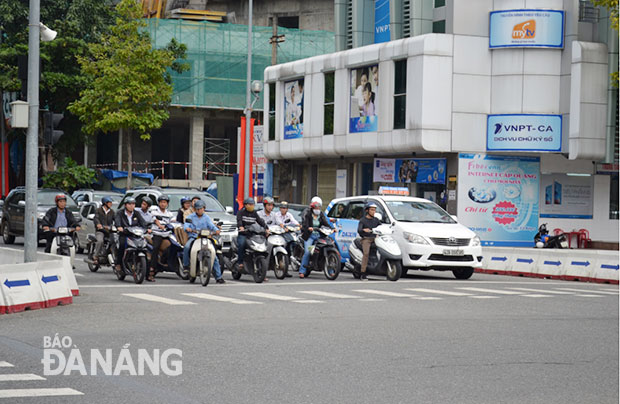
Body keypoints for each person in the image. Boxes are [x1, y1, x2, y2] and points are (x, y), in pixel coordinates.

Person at [183, 200, 225, 284]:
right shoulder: (190, 217)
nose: (199, 210)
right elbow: (186, 225)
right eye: (197, 209)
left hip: (205, 238)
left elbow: (212, 226)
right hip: (194, 237)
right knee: (187, 247)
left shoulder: (206, 217)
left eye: (201, 209)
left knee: (214, 255)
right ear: (195, 209)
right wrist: (188, 228)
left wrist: (216, 230)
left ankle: (218, 277)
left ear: (204, 209)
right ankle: (186, 266)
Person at [298, 198, 333, 278]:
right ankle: (302, 271)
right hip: (310, 236)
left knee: (329, 246)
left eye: (319, 208)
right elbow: (305, 224)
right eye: (316, 208)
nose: (317, 210)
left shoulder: (321, 215)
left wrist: (332, 228)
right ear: (312, 208)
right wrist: (308, 228)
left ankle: (330, 270)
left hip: (319, 236)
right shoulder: (308, 215)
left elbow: (325, 223)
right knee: (307, 252)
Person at [114, 197, 148, 275]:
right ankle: (118, 264)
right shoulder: (120, 213)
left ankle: (145, 269)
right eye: (129, 204)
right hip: (124, 235)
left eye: (133, 204)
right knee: (122, 246)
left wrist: (147, 228)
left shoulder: (136, 213)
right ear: (125, 205)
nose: (131, 206)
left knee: (143, 247)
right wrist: (119, 227)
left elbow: (143, 222)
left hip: (135, 235)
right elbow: (117, 221)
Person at [147, 195, 176, 282]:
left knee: (172, 247)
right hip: (157, 233)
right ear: (159, 203)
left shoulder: (169, 214)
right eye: (161, 202)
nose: (163, 204)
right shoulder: (154, 211)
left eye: (165, 202)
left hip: (167, 234)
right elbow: (154, 219)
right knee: (155, 248)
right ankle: (151, 270)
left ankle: (164, 262)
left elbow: (174, 221)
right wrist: (159, 225)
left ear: (167, 204)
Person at [236, 198, 267, 269]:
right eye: (250, 204)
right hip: (243, 234)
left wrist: (266, 228)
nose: (252, 206)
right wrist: (241, 227)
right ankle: (240, 262)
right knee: (241, 244)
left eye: (253, 204)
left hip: (252, 234)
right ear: (245, 205)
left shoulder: (254, 213)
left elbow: (260, 221)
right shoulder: (241, 212)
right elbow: (239, 221)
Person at [357, 202, 382, 281]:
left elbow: (381, 227)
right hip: (366, 239)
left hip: (375, 239)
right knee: (366, 253)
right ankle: (363, 273)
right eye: (371, 210)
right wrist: (364, 230)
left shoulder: (376, 220)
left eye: (374, 210)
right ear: (367, 210)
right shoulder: (363, 220)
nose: (373, 211)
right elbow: (359, 230)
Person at [274, 201, 299, 278]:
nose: (283, 209)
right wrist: (284, 227)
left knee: (294, 242)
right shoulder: (276, 215)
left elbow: (294, 221)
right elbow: (279, 223)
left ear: (287, 209)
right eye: (281, 208)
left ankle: (287, 268)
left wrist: (299, 225)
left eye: (284, 208)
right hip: (278, 233)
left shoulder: (289, 215)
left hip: (287, 233)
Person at [92, 196, 116, 263]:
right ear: (105, 203)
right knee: (100, 241)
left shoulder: (112, 212)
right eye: (109, 203)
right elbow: (96, 218)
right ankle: (95, 256)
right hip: (100, 231)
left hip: (110, 231)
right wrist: (98, 224)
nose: (111, 204)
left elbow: (116, 219)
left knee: (115, 241)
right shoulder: (98, 210)